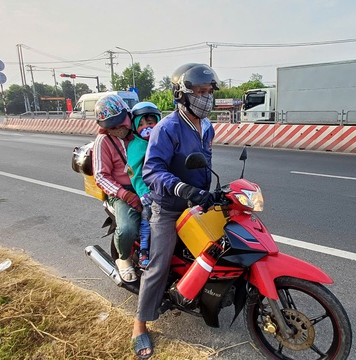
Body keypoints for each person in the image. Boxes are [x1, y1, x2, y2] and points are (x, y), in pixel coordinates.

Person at [131, 63, 219, 359]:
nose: (206, 98)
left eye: (209, 92)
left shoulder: (207, 126)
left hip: (197, 200)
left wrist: (210, 191)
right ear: (181, 95)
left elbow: (201, 162)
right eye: (200, 92)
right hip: (168, 207)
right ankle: (139, 324)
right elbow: (152, 170)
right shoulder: (167, 128)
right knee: (158, 265)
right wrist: (181, 189)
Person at [92, 94, 142, 283]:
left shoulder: (141, 129)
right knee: (128, 229)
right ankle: (123, 259)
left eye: (120, 123)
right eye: (111, 127)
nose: (117, 129)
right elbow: (100, 176)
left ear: (127, 115)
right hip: (120, 192)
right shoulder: (103, 141)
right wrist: (125, 195)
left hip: (147, 185)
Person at [126, 101, 162, 268]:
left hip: (166, 189)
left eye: (150, 122)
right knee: (147, 217)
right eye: (140, 124)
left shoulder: (163, 140)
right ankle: (144, 251)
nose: (146, 127)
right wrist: (143, 192)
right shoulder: (137, 145)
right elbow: (134, 172)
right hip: (148, 192)